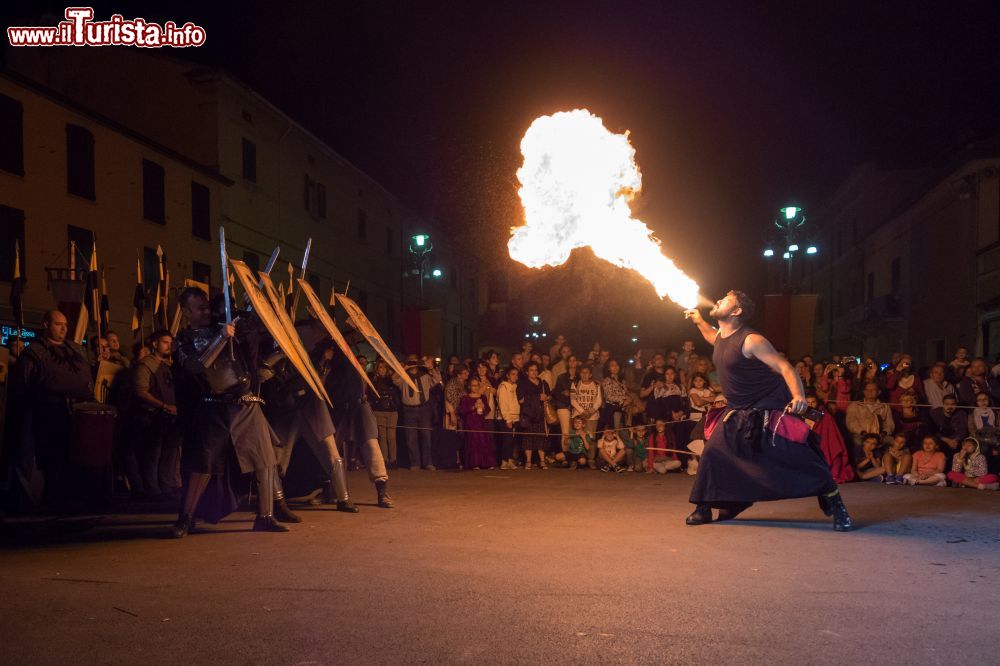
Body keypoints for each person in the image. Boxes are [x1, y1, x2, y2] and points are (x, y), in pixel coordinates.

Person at [684, 291, 852, 530]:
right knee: (712, 453)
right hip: (737, 411)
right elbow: (713, 338)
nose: (719, 299)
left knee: (801, 458)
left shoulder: (752, 340)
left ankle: (835, 504)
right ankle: (703, 508)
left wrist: (798, 396)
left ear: (736, 311)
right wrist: (699, 321)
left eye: (727, 298)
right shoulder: (722, 335)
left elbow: (785, 367)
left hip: (767, 408)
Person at [170, 287, 286, 537]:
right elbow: (195, 366)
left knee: (264, 458)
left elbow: (253, 330)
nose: (206, 311)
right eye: (199, 308)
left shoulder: (224, 325)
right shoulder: (182, 340)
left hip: (244, 400)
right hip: (211, 404)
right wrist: (222, 338)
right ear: (186, 311)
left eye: (206, 306)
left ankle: (266, 516)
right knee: (203, 464)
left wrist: (252, 304)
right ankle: (186, 518)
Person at [3, 310, 93, 505]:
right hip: (49, 411)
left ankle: (72, 497)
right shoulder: (35, 352)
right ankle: (52, 499)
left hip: (77, 412)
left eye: (65, 325)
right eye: (58, 324)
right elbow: (22, 387)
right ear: (46, 325)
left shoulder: (76, 350)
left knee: (74, 457)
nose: (63, 328)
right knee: (53, 458)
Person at [326, 332, 394, 507]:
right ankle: (329, 489)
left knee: (371, 445)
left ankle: (382, 491)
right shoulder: (330, 366)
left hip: (359, 407)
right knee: (331, 450)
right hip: (339, 408)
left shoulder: (354, 366)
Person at [130, 329, 180, 501]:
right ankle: (152, 489)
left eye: (170, 342)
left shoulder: (170, 366)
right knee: (153, 454)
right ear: (155, 344)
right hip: (152, 416)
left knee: (170, 452)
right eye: (165, 342)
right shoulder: (146, 364)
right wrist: (164, 405)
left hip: (171, 417)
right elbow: (141, 391)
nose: (169, 346)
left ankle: (166, 485)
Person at [395, 354, 439, 470]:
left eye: (415, 361)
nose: (413, 364)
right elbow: (394, 379)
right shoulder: (403, 377)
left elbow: (437, 379)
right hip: (408, 410)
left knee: (426, 437)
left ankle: (428, 462)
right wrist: (404, 368)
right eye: (410, 362)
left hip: (424, 408)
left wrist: (430, 367)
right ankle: (415, 463)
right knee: (411, 438)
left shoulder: (425, 375)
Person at [805, 394, 854, 484]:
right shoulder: (799, 413)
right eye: (808, 403)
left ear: (818, 403)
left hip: (821, 444)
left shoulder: (825, 416)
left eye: (813, 402)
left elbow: (832, 436)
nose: (811, 405)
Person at [518, 361, 551, 470]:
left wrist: (546, 397)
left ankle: (542, 461)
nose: (534, 372)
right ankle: (528, 461)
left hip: (540, 414)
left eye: (536, 370)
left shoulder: (543, 383)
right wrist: (537, 397)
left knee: (541, 437)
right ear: (527, 372)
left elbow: (549, 396)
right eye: (531, 370)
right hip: (528, 414)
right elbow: (521, 399)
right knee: (528, 438)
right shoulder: (523, 383)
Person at [459, 377, 495, 470]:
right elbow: (462, 411)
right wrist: (473, 407)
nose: (475, 387)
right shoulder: (465, 398)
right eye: (473, 385)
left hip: (481, 423)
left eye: (477, 385)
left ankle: (486, 463)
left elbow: (487, 410)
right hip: (471, 423)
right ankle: (474, 463)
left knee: (483, 442)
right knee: (473, 443)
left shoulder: (482, 397)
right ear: (469, 386)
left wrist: (483, 408)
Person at [845, 381, 895, 448]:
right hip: (861, 435)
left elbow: (890, 424)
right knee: (858, 442)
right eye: (867, 390)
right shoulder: (855, 405)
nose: (870, 392)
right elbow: (851, 422)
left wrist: (884, 433)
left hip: (880, 435)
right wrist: (863, 433)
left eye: (873, 390)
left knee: (892, 441)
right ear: (864, 392)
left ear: (879, 392)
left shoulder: (885, 406)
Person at [369, 360, 399, 468]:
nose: (382, 369)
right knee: (382, 437)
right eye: (380, 367)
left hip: (391, 410)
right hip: (379, 410)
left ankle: (393, 459)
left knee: (391, 437)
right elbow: (372, 394)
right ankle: (385, 460)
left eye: (384, 367)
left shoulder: (390, 380)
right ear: (377, 369)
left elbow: (395, 391)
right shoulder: (373, 380)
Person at [929, 394, 968, 468]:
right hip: (940, 438)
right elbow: (932, 430)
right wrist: (947, 440)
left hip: (955, 440)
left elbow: (963, 430)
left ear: (956, 404)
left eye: (952, 404)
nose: (950, 407)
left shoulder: (961, 413)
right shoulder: (935, 413)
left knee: (958, 449)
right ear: (943, 404)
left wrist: (956, 440)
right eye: (947, 404)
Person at [553, 354, 579, 453]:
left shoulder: (580, 377)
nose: (572, 362)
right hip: (563, 406)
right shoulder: (561, 377)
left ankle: (574, 453)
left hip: (576, 407)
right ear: (567, 363)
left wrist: (570, 393)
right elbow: (556, 393)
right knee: (565, 432)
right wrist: (565, 395)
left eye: (574, 360)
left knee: (576, 431)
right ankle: (565, 454)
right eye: (570, 360)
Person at [495, 366, 521, 470]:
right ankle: (504, 461)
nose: (515, 376)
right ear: (507, 375)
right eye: (513, 374)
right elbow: (503, 404)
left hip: (515, 417)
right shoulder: (503, 387)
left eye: (516, 374)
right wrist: (507, 419)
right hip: (505, 418)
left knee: (512, 440)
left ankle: (510, 459)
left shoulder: (514, 386)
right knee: (507, 439)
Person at [598, 359, 630, 432]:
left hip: (624, 408)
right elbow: (609, 396)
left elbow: (626, 393)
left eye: (617, 365)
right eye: (612, 365)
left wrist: (627, 399)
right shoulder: (607, 380)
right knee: (616, 432)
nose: (615, 367)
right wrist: (624, 399)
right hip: (613, 409)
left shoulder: (622, 380)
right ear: (609, 368)